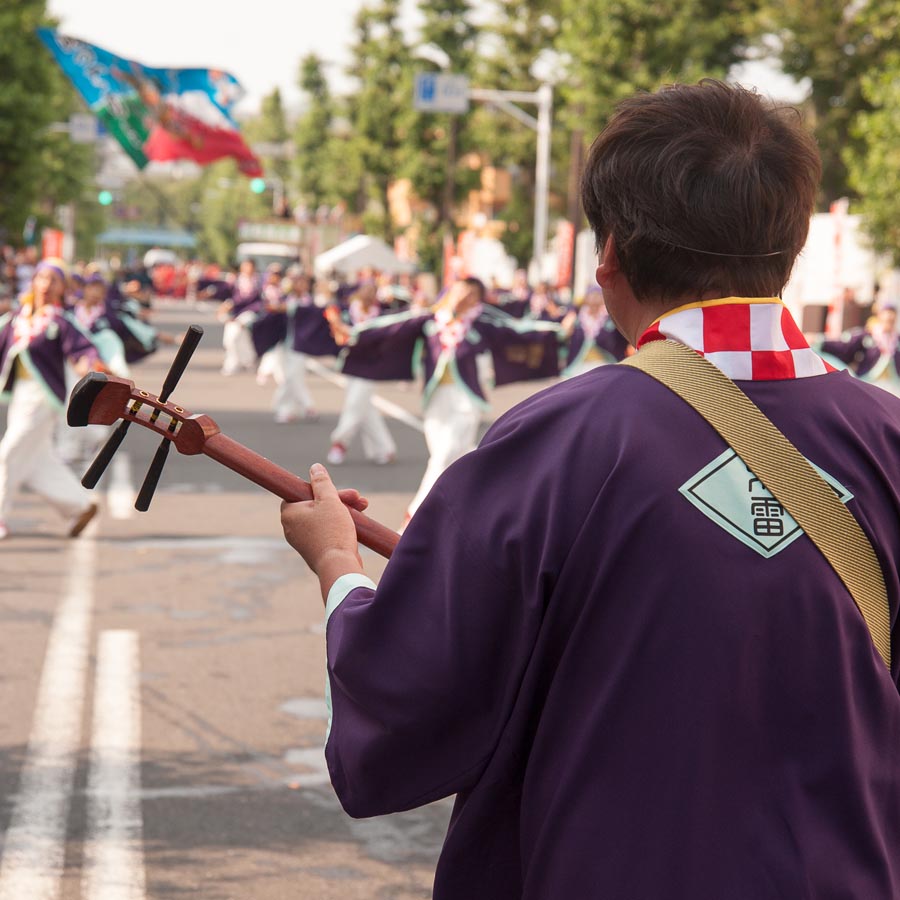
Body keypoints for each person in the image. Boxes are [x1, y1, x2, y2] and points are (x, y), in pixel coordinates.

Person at [280, 81, 900, 898]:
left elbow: (410, 698)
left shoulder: (560, 438)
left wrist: (335, 561)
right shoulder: (887, 436)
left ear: (609, 254)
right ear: (789, 248)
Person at [336, 276, 561, 524]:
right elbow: (391, 327)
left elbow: (518, 331)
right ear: (451, 291)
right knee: (455, 456)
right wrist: (353, 333)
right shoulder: (431, 320)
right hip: (436, 399)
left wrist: (559, 332)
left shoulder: (480, 323)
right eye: (462, 290)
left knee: (444, 456)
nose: (466, 297)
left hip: (466, 400)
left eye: (473, 295)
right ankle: (479, 506)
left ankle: (413, 516)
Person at [0, 260, 100, 539]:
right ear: (33, 281)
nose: (45, 284)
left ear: (62, 288)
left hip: (43, 398)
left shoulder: (60, 321)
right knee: (35, 462)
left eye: (53, 280)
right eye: (41, 277)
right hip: (20, 395)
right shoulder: (17, 318)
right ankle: (79, 506)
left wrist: (88, 365)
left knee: (8, 451)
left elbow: (83, 349)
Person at [324, 282, 397, 466]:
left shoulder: (381, 315)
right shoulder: (348, 310)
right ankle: (384, 449)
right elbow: (334, 324)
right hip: (350, 363)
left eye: (373, 290)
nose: (368, 293)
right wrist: (337, 325)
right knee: (363, 408)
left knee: (355, 404)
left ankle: (340, 442)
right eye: (366, 289)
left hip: (371, 366)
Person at [817, 303, 900, 396]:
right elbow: (844, 347)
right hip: (869, 384)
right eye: (886, 318)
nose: (889, 320)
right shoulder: (866, 335)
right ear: (879, 317)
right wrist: (819, 342)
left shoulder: (897, 340)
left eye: (891, 320)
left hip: (895, 388)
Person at [559, 285, 630, 376]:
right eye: (592, 294)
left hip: (605, 364)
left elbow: (622, 340)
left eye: (598, 295)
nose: (595, 298)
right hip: (578, 365)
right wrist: (567, 324)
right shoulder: (577, 316)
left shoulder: (610, 318)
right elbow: (562, 335)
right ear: (586, 298)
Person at [218, 259, 262, 376]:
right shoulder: (235, 281)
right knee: (231, 338)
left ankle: (239, 362)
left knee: (236, 335)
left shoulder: (259, 282)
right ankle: (247, 360)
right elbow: (226, 296)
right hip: (234, 314)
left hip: (250, 313)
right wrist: (226, 307)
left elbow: (258, 302)